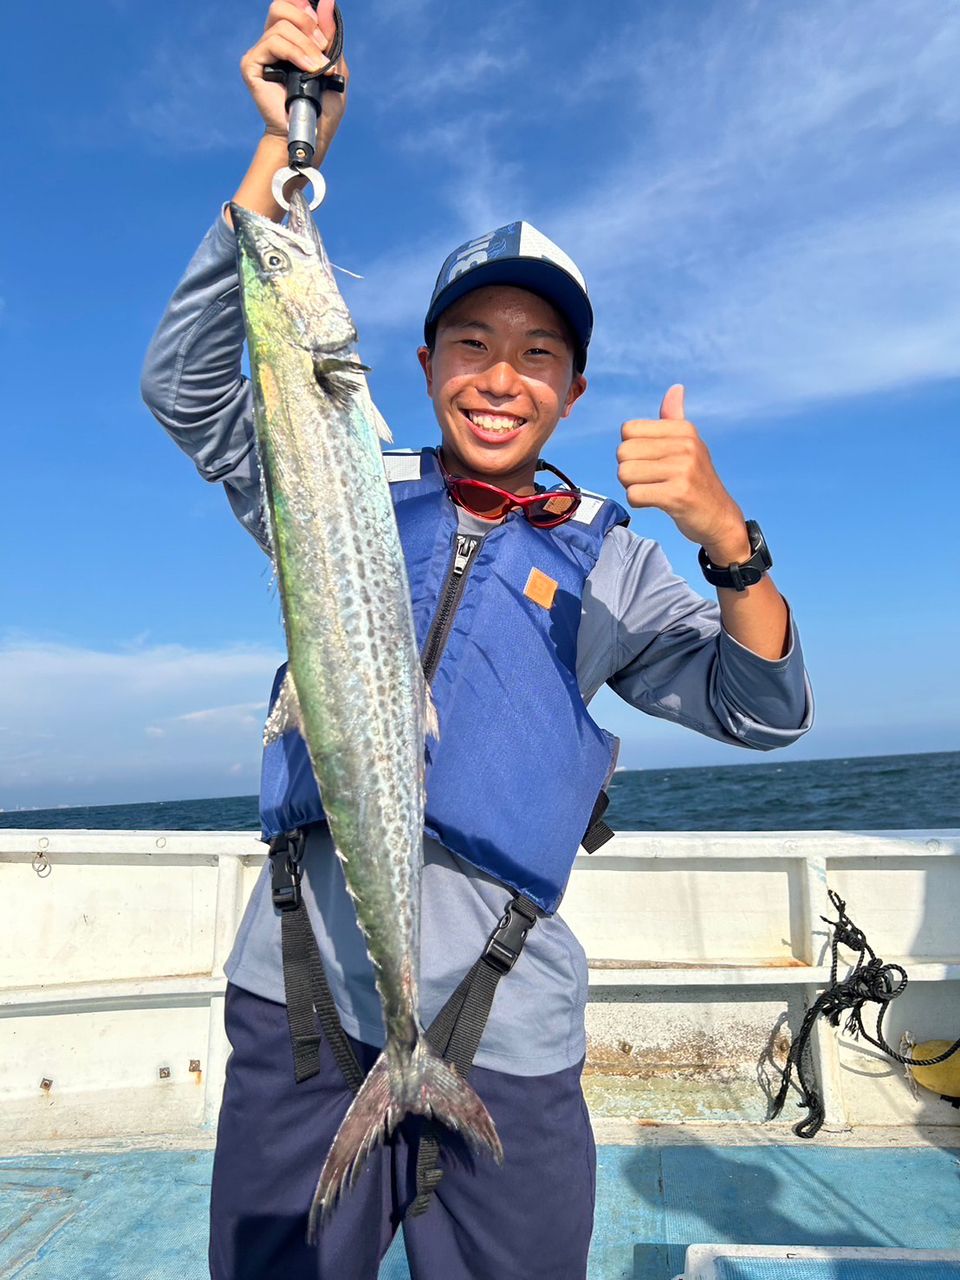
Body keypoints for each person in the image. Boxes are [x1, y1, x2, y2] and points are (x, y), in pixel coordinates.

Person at [141, 3, 814, 1277]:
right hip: (303, 1000)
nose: (501, 376)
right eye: (472, 343)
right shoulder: (339, 476)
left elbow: (764, 706)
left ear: (570, 385)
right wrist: (274, 164)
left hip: (506, 1031)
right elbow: (189, 387)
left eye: (537, 353)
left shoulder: (609, 558)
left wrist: (726, 531)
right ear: (421, 359)